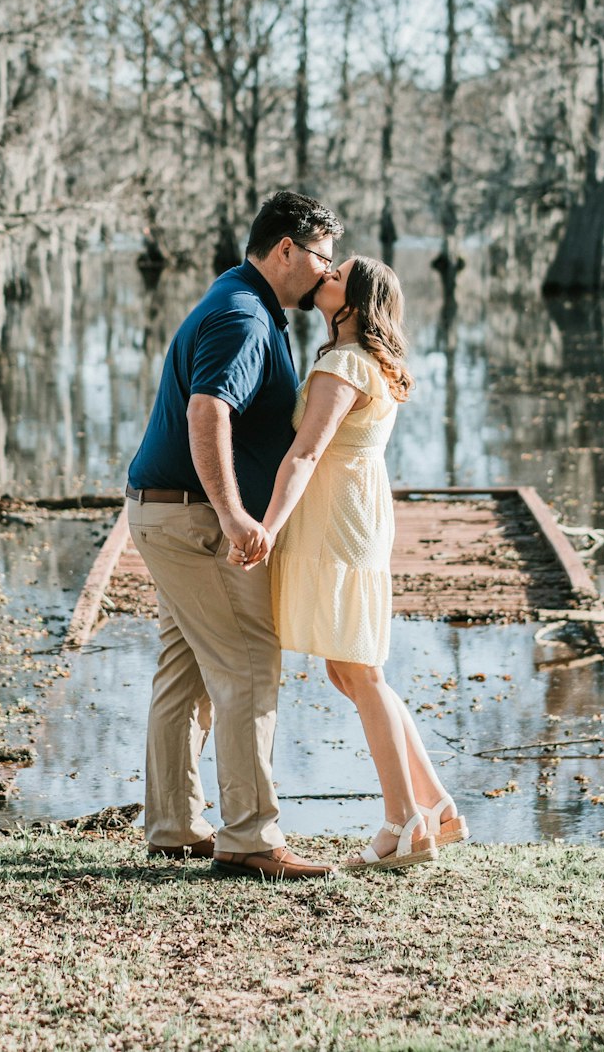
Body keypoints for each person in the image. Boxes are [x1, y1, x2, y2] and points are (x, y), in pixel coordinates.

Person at [126, 190, 343, 881]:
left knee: (184, 670)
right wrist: (231, 514)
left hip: (163, 511)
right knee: (249, 663)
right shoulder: (246, 316)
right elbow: (207, 410)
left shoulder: (234, 296)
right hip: (194, 519)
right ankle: (249, 837)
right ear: (287, 249)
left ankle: (172, 826)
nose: (327, 274)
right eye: (322, 258)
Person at [233, 256, 468, 871]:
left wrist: (266, 530)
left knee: (359, 673)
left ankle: (402, 819)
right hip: (357, 516)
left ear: (356, 304)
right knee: (354, 673)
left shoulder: (343, 364)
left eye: (336, 276)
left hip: (337, 524)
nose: (323, 276)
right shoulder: (367, 361)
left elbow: (306, 454)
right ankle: (435, 804)